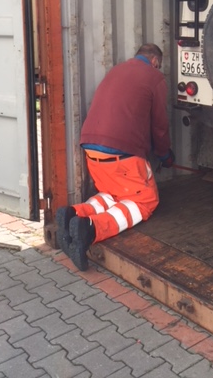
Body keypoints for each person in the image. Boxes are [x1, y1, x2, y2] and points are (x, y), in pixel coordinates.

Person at [55, 43, 174, 271]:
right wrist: (165, 154)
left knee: (113, 194)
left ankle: (73, 214)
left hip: (91, 149)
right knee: (146, 200)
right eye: (158, 65)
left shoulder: (117, 70)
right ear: (155, 61)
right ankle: (90, 229)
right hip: (122, 155)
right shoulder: (155, 77)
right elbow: (160, 126)